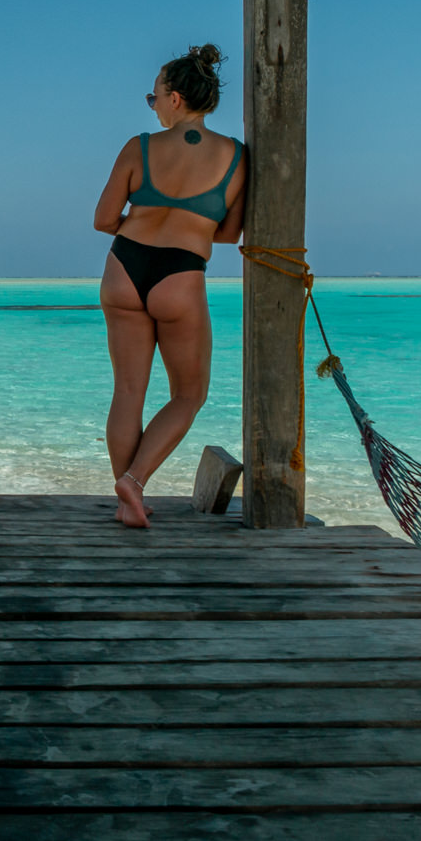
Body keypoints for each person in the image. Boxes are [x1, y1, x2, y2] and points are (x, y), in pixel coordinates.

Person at [92, 44, 246, 528]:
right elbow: (227, 234)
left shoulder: (138, 147)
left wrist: (142, 227)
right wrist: (185, 226)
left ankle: (126, 500)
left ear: (175, 98)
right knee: (188, 394)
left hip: (123, 268)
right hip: (180, 273)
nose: (152, 105)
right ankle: (134, 482)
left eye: (154, 96)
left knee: (128, 391)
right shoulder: (236, 157)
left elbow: (102, 220)